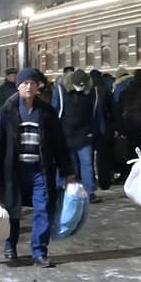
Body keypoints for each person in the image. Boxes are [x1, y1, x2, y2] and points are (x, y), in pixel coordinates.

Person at [0, 68, 76, 268]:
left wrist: (67, 170)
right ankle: (10, 245)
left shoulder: (47, 112)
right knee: (13, 210)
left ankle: (40, 252)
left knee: (43, 209)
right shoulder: (5, 112)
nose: (29, 87)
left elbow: (59, 144)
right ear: (19, 86)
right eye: (25, 83)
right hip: (13, 170)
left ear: (37, 87)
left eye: (33, 83)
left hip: (40, 170)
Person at [53, 69, 104, 203]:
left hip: (83, 134)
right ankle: (63, 188)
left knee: (85, 163)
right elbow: (55, 112)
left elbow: (96, 114)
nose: (80, 89)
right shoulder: (61, 91)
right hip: (66, 134)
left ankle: (88, 191)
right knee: (68, 164)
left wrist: (97, 131)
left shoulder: (92, 92)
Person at [113, 69, 141, 167]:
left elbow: (118, 111)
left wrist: (120, 129)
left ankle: (134, 172)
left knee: (132, 151)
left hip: (128, 126)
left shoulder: (125, 91)